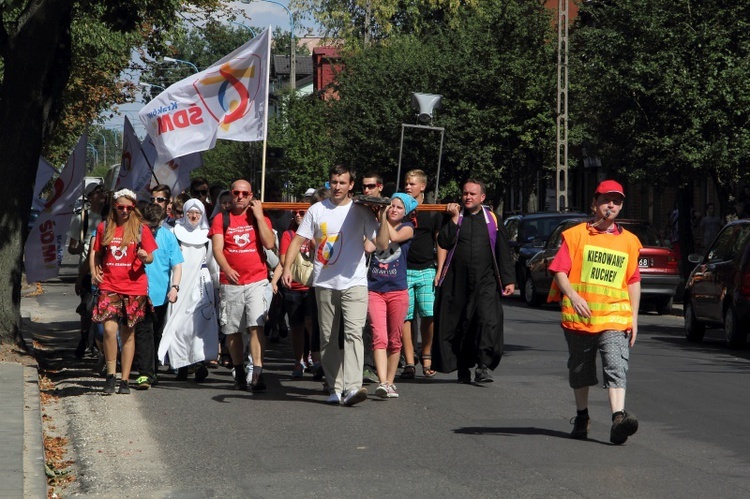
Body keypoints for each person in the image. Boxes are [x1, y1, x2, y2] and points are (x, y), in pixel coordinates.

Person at [547, 179, 642, 444]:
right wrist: (573, 296)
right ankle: (582, 416)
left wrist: (633, 318)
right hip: (581, 318)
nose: (611, 205)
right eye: (605, 200)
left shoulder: (630, 242)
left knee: (616, 364)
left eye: (616, 201)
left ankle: (618, 419)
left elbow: (633, 280)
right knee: (580, 370)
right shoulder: (576, 235)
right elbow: (558, 271)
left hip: (615, 317)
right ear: (595, 204)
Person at [281, 165, 379, 406]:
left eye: (342, 183)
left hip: (354, 282)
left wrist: (383, 215)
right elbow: (298, 240)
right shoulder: (316, 210)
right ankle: (335, 387)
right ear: (329, 184)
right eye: (334, 182)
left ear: (351, 185)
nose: (337, 187)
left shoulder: (361, 211)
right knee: (327, 337)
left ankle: (354, 387)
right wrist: (286, 267)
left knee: (354, 333)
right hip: (324, 282)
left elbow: (378, 242)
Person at [432, 179, 515, 384]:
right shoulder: (455, 217)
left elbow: (503, 251)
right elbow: (443, 241)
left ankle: (483, 366)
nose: (468, 197)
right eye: (465, 193)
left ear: (482, 197)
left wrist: (508, 279)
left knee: (488, 320)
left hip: (485, 280)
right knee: (462, 324)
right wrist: (451, 219)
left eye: (472, 194)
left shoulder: (493, 220)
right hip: (457, 280)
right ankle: (462, 367)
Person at [210, 179, 275, 392]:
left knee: (256, 326)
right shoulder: (222, 218)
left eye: (244, 193)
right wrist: (227, 269)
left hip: (256, 279)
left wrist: (258, 216)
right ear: (231, 194)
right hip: (232, 283)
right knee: (233, 329)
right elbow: (217, 249)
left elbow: (269, 243)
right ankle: (238, 371)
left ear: (251, 195)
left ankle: (257, 371)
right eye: (236, 192)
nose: (240, 196)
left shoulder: (260, 218)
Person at [90, 189, 158, 395]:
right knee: (110, 330)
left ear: (134, 208)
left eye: (129, 207)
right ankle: (111, 374)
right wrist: (94, 272)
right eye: (121, 207)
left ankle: (125, 380)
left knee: (128, 334)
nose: (125, 211)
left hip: (134, 287)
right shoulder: (104, 227)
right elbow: (96, 252)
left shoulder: (140, 230)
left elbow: (151, 258)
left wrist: (145, 256)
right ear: (115, 207)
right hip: (109, 285)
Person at [159, 199, 220, 382]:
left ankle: (199, 361)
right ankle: (182, 364)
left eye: (197, 214)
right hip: (179, 282)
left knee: (199, 325)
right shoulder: (174, 233)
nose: (193, 216)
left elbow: (212, 263)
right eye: (190, 213)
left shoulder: (207, 236)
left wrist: (217, 286)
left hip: (200, 284)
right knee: (178, 325)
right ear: (184, 214)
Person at [364, 193, 415, 399]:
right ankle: (383, 382)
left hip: (397, 290)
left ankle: (391, 381)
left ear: (406, 212)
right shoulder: (375, 225)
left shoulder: (408, 227)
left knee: (395, 340)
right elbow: (369, 247)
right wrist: (374, 221)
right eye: (390, 205)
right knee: (379, 337)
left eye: (398, 208)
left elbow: (393, 238)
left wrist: (382, 217)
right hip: (375, 289)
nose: (393, 209)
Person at [133, 203, 183, 389]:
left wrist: (175, 287)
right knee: (143, 332)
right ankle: (145, 373)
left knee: (157, 333)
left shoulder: (167, 237)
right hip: (138, 291)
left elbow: (176, 265)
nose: (152, 230)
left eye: (156, 226)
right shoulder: (135, 234)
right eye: (148, 226)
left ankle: (153, 369)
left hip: (161, 293)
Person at [401, 169, 443, 379]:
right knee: (406, 317)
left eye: (412, 184)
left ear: (423, 187)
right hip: (404, 269)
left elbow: (440, 241)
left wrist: (440, 268)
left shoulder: (432, 209)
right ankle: (409, 361)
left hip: (427, 268)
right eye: (406, 183)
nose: (408, 187)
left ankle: (427, 355)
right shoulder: (400, 208)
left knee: (428, 314)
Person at [274, 198, 319, 377]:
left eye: (302, 212)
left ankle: (316, 360)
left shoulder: (317, 231)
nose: (298, 216)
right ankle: (298, 361)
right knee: (297, 326)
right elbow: (284, 259)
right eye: (295, 213)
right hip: (294, 285)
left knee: (312, 323)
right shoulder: (289, 234)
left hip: (312, 285)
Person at [68, 181, 107, 359]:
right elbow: (72, 247)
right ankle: (85, 339)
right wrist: (88, 247)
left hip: (107, 272)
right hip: (88, 272)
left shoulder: (110, 217)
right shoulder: (82, 219)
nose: (101, 195)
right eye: (97, 192)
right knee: (88, 309)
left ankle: (98, 344)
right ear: (90, 197)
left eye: (103, 192)